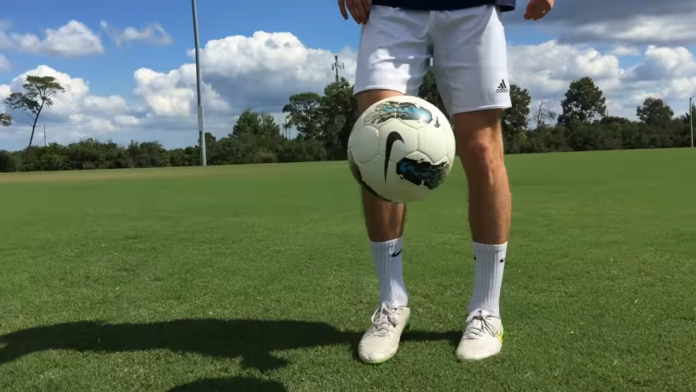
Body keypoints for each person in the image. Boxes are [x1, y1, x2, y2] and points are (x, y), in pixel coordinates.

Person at [338, 0, 554, 363]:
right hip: (391, 9)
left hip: (473, 8)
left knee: (483, 149)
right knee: (378, 137)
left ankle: (486, 311)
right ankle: (392, 303)